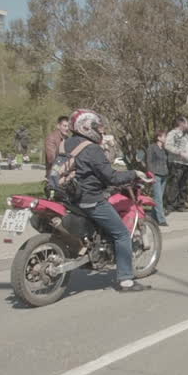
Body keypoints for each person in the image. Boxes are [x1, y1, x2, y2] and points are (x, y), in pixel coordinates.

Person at [61, 109, 151, 293]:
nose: (100, 132)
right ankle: (126, 280)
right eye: (96, 127)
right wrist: (134, 173)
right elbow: (110, 177)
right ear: (85, 127)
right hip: (89, 199)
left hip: (66, 197)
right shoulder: (91, 148)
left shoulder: (65, 144)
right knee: (122, 234)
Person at [164, 116, 188, 211]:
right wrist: (179, 152)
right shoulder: (173, 133)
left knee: (184, 185)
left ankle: (180, 204)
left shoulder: (187, 136)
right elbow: (167, 145)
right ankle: (171, 204)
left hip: (187, 164)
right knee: (174, 184)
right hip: (176, 163)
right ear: (181, 124)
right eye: (186, 123)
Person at [144, 130, 170, 226]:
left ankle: (154, 216)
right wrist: (150, 173)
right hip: (156, 175)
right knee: (158, 197)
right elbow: (149, 161)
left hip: (164, 174)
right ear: (158, 137)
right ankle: (161, 220)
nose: (165, 138)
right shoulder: (152, 148)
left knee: (159, 197)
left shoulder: (164, 149)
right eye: (164, 136)